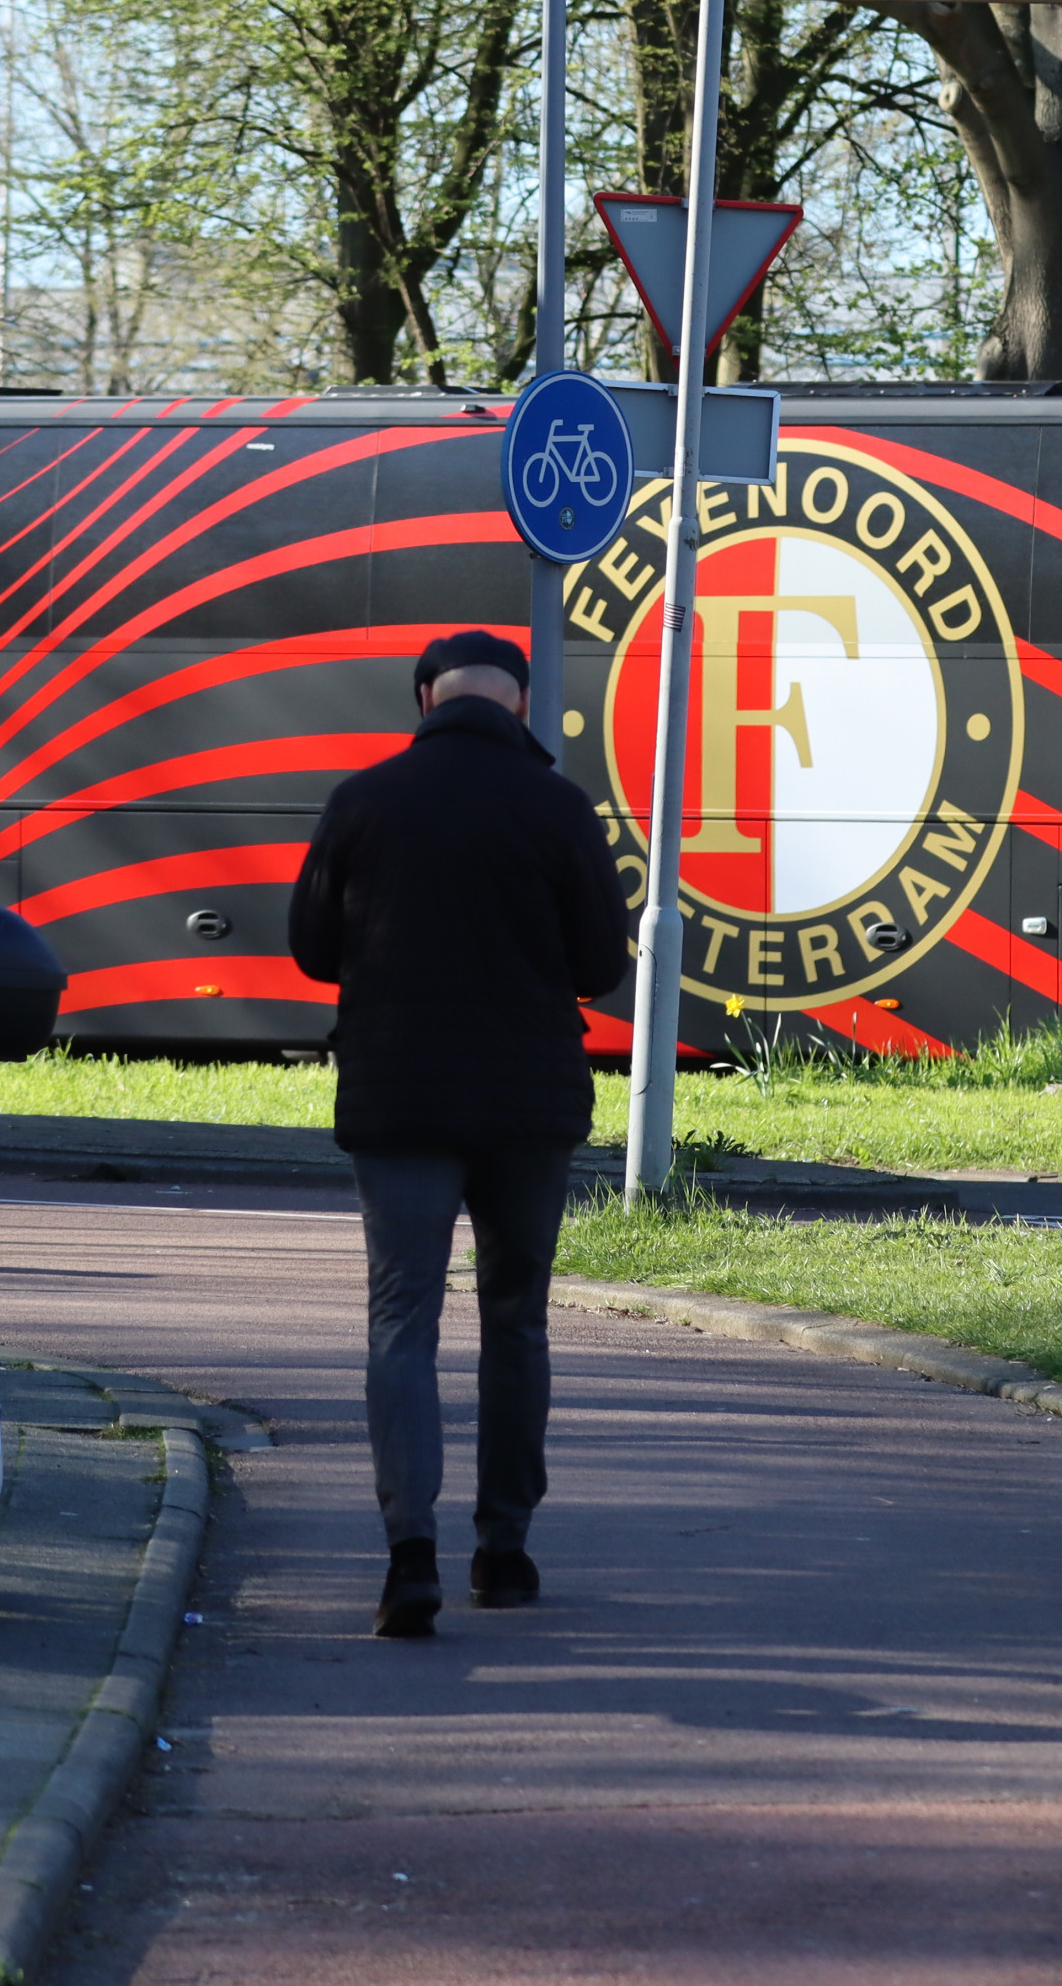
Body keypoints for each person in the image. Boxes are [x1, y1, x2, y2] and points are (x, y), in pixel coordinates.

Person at [288, 629, 629, 1638]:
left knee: (403, 1320)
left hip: (400, 1099)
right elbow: (601, 964)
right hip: (528, 1106)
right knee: (516, 1319)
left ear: (424, 699)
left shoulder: (363, 800)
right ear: (520, 706)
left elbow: (311, 949)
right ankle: (505, 1552)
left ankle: (408, 1556)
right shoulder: (559, 807)